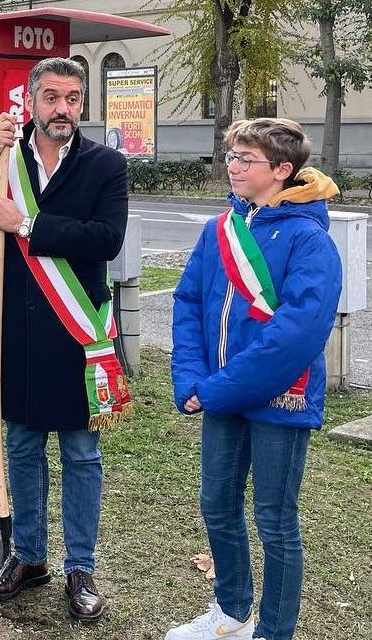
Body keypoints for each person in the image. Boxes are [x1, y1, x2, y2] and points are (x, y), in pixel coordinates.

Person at [0, 57, 131, 620]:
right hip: (18, 334)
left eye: (73, 98)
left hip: (74, 336)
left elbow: (105, 239)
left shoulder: (105, 164)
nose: (63, 108)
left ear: (83, 103)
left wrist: (27, 226)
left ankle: (81, 567)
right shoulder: (5, 159)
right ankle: (29, 557)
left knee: (81, 453)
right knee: (24, 449)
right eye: (52, 96)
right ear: (31, 100)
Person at [167, 119, 342, 640]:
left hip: (279, 400)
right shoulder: (219, 228)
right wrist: (190, 378)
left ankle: (274, 631)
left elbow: (295, 335)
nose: (233, 167)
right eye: (231, 157)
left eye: (246, 159)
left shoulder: (309, 240)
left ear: (283, 170)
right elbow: (189, 302)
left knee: (274, 519)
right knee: (217, 505)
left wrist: (216, 389)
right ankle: (232, 612)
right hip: (220, 392)